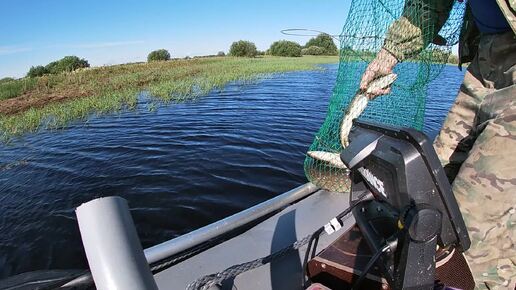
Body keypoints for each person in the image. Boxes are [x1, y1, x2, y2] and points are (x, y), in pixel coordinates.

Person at [360, 0, 515, 289]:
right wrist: (388, 54)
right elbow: (430, 3)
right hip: (485, 61)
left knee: (474, 221)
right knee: (429, 187)